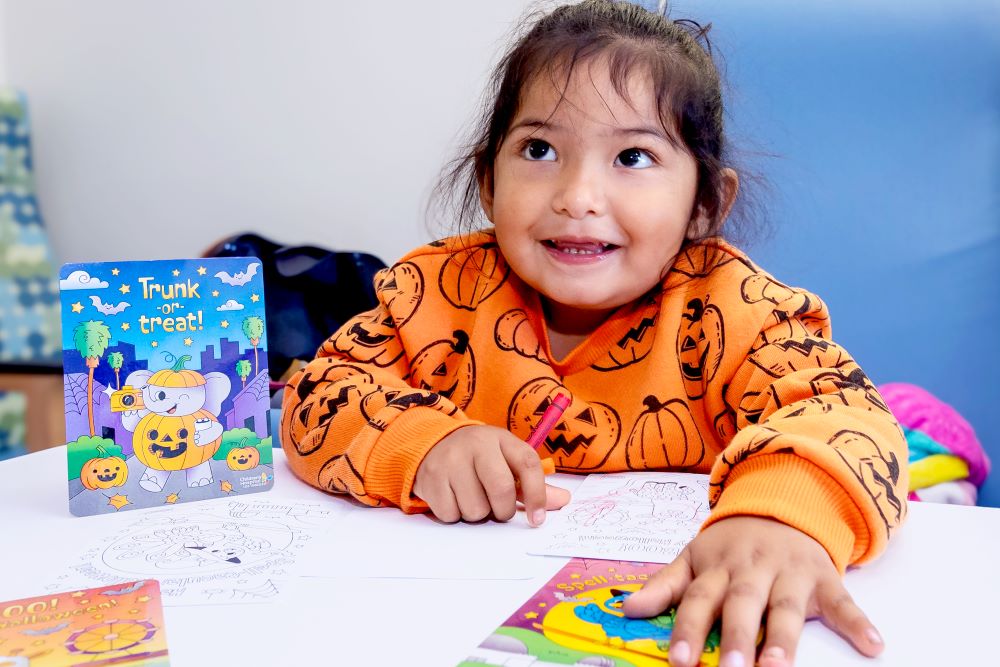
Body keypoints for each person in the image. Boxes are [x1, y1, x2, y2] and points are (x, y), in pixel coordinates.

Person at [281, 2, 907, 665]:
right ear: (489, 182)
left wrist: (779, 515)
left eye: (633, 156)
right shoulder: (436, 295)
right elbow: (318, 390)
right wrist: (426, 441)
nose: (578, 195)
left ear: (705, 204)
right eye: (540, 149)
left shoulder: (736, 312)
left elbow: (851, 416)